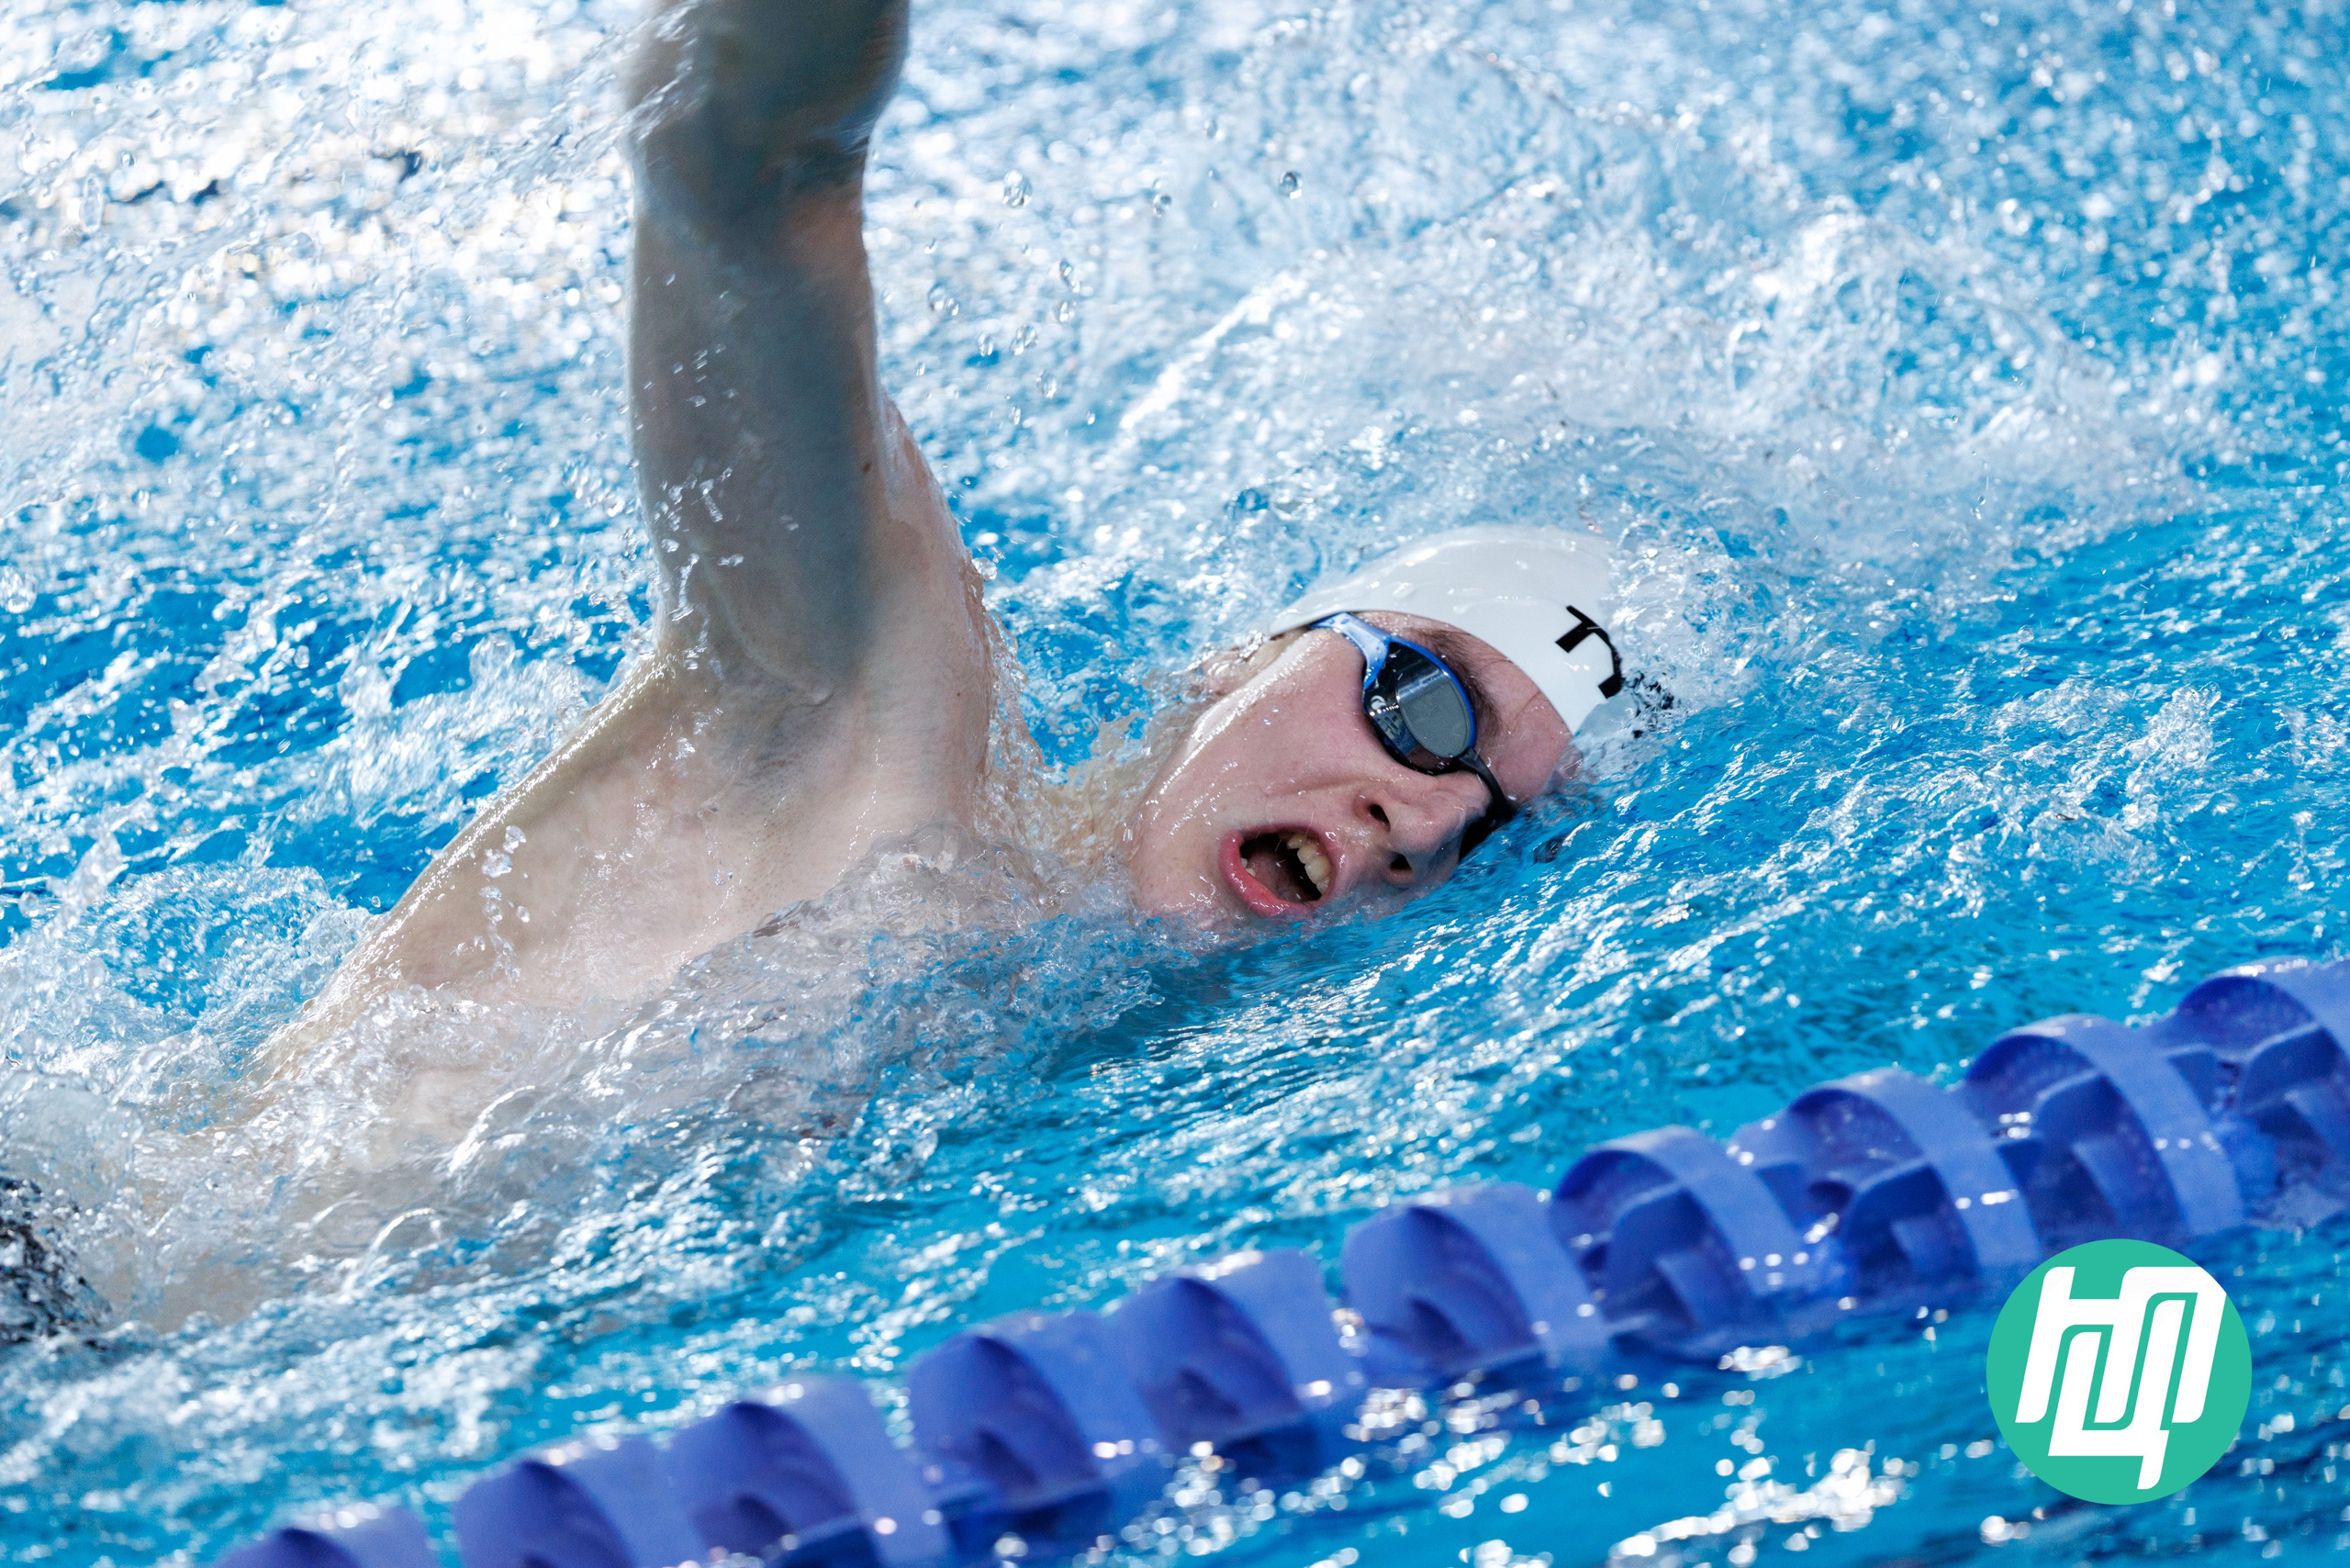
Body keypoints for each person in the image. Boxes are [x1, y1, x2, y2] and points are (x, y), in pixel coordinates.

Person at [268, 0, 1627, 1070]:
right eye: (1424, 703)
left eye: (1498, 830)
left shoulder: (1082, 1045)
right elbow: (743, 164)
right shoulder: (871, 722)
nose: (1430, 822)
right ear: (1238, 660)